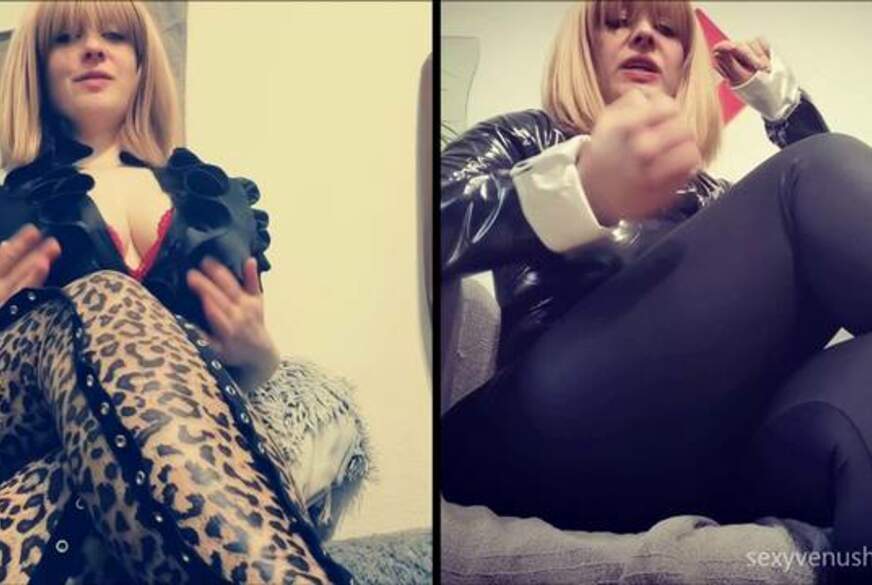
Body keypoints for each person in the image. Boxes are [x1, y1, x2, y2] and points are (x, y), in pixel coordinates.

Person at [441, 1, 872, 582]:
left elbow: (839, 239)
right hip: (553, 430)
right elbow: (428, 221)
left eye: (667, 30)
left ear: (685, 64)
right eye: (618, 21)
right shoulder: (530, 136)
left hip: (706, 458)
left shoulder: (714, 195)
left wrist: (784, 107)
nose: (644, 35)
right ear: (585, 46)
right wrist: (580, 188)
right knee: (819, 169)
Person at [0, 1, 353, 583]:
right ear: (37, 66)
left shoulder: (214, 199)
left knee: (127, 450)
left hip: (117, 455)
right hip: (24, 404)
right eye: (66, 38)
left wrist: (258, 358)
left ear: (143, 63)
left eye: (116, 35)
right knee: (108, 295)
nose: (93, 48)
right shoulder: (7, 207)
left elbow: (227, 390)